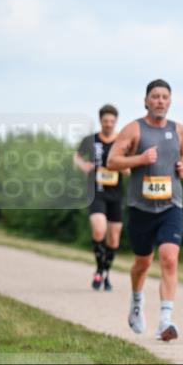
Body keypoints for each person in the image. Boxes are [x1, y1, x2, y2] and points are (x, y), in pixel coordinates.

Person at [107, 80, 183, 342]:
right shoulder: (134, 129)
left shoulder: (179, 130)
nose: (160, 101)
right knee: (142, 263)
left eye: (165, 97)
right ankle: (136, 302)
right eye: (155, 96)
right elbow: (112, 161)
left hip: (171, 205)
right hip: (141, 207)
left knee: (169, 258)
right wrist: (140, 160)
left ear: (170, 101)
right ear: (146, 101)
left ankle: (165, 321)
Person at [74, 105, 127, 291]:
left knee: (113, 239)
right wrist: (84, 166)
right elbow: (77, 157)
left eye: (112, 121)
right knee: (98, 230)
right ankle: (98, 270)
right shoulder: (91, 140)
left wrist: (122, 167)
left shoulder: (122, 141)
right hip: (96, 193)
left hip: (116, 195)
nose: (108, 124)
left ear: (116, 122)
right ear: (100, 121)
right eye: (105, 121)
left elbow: (129, 168)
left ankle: (105, 273)